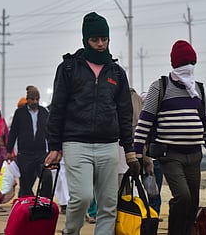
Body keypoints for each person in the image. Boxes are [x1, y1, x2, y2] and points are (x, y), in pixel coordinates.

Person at [44, 12, 140, 235]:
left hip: (108, 145)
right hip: (76, 144)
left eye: (104, 39)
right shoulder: (68, 69)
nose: (100, 44)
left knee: (108, 204)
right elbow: (57, 109)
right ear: (85, 40)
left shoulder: (117, 73)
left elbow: (125, 114)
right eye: (95, 39)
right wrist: (55, 147)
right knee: (83, 197)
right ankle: (71, 231)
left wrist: (130, 151)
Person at [133, 40, 206, 235]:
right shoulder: (159, 87)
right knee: (182, 197)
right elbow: (144, 123)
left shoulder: (199, 90)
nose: (188, 69)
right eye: (184, 65)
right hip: (170, 154)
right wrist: (137, 156)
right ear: (174, 66)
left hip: (195, 155)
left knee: (192, 203)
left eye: (191, 65)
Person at [6, 86, 52, 198]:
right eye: (32, 99)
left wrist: (53, 149)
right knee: (26, 182)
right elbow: (13, 133)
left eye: (37, 99)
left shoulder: (44, 112)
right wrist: (8, 150)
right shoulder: (20, 113)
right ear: (27, 99)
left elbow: (49, 132)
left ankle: (43, 200)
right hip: (25, 154)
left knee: (47, 177)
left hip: (41, 153)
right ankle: (26, 203)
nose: (35, 101)